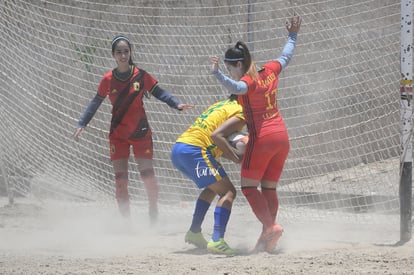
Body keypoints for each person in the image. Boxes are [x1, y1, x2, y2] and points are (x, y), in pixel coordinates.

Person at [73, 35, 194, 222]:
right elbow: (95, 102)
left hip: (141, 132)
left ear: (130, 53)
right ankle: (126, 223)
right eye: (119, 52)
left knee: (147, 175)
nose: (123, 55)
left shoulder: (141, 75)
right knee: (121, 181)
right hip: (117, 135)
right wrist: (82, 124)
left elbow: (160, 92)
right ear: (113, 55)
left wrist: (176, 104)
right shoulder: (107, 79)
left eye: (126, 51)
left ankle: (153, 210)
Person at [211, 15, 301, 253]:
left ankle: (271, 227)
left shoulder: (247, 81)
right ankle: (266, 237)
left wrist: (217, 75)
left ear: (238, 64)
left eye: (230, 68)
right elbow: (286, 56)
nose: (231, 72)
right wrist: (292, 34)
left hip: (262, 140)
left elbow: (237, 87)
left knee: (249, 188)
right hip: (282, 138)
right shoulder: (269, 70)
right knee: (269, 189)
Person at [170, 94, 246, 255]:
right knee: (228, 192)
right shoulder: (241, 111)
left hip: (180, 149)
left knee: (213, 187)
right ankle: (217, 240)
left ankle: (194, 232)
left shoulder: (221, 105)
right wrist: (237, 158)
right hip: (195, 151)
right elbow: (216, 136)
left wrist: (232, 153)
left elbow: (215, 141)